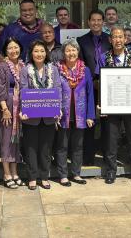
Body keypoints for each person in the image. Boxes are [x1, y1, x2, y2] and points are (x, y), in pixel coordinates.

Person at [100, 26, 131, 184]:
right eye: (115, 37)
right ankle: (111, 170)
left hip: (130, 103)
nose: (118, 40)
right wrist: (102, 104)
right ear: (110, 39)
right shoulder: (103, 57)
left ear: (125, 39)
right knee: (112, 139)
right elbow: (100, 82)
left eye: (121, 37)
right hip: (111, 105)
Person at [20, 40, 62, 190]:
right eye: (36, 51)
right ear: (31, 53)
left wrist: (58, 108)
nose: (39, 54)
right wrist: (23, 110)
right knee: (31, 148)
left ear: (46, 53)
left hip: (49, 116)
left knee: (46, 148)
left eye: (42, 51)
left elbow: (58, 89)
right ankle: (32, 177)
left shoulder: (54, 69)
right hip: (31, 117)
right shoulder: (25, 70)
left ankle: (44, 176)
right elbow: (23, 91)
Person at [56, 39, 95, 186]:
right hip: (63, 114)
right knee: (62, 145)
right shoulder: (57, 69)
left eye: (73, 50)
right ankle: (63, 175)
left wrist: (90, 115)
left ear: (78, 52)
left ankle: (76, 173)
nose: (71, 53)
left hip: (80, 113)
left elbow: (90, 93)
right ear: (63, 53)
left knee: (78, 145)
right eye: (68, 50)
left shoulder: (85, 70)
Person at [77, 9, 111, 166]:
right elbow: (81, 64)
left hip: (109, 85)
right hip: (89, 85)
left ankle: (107, 157)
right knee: (89, 121)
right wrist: (91, 81)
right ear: (88, 22)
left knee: (108, 123)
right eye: (93, 20)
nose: (96, 23)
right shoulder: (81, 40)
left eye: (99, 20)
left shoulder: (109, 39)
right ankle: (88, 157)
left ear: (103, 22)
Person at [0, 37, 25, 189]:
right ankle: (6, 174)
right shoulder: (2, 66)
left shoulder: (22, 65)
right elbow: (0, 89)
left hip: (20, 108)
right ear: (6, 51)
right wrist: (4, 109)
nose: (14, 50)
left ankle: (15, 172)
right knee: (6, 140)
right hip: (7, 107)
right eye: (10, 48)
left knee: (16, 141)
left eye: (16, 47)